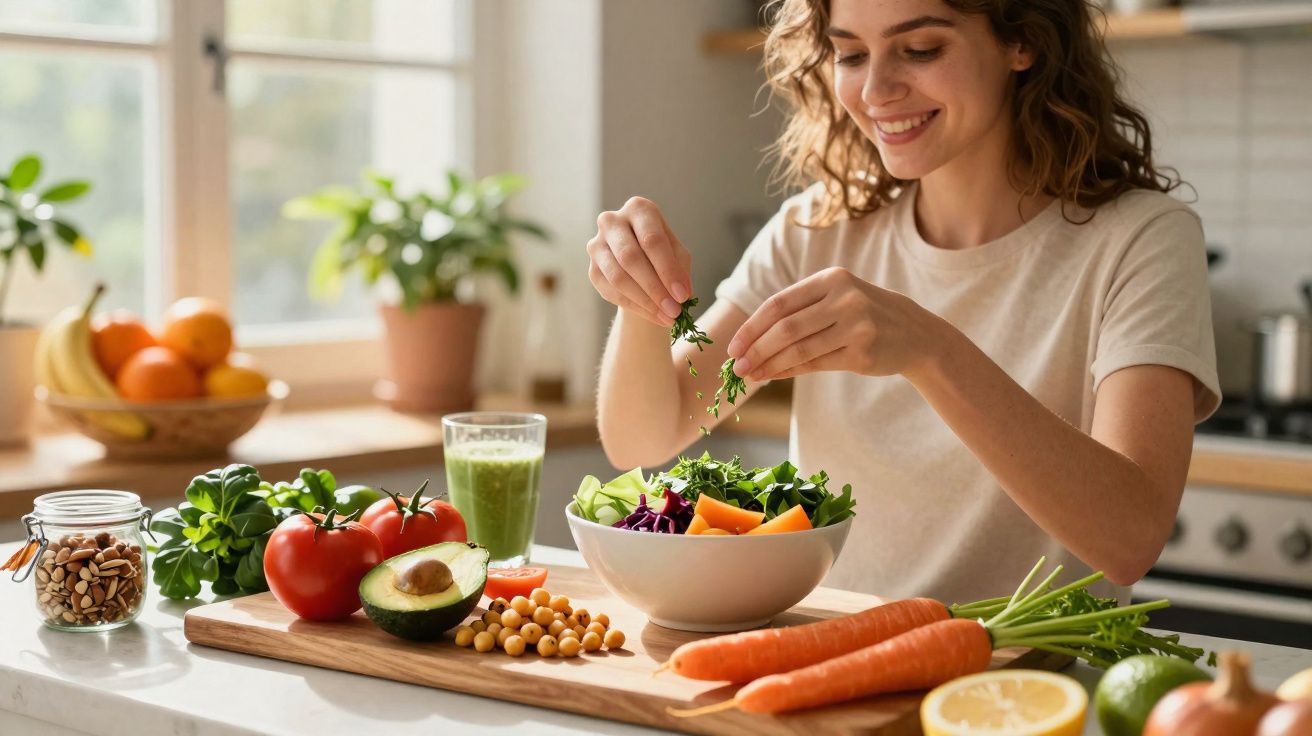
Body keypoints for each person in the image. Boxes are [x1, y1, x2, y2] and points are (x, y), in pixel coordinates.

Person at [586, 0, 1218, 605]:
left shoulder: (1140, 239)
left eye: (919, 48)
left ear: (1022, 40)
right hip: (833, 670)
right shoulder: (817, 229)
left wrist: (929, 349)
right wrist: (640, 301)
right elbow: (643, 434)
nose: (876, 90)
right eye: (851, 55)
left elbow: (1130, 538)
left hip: (1027, 692)